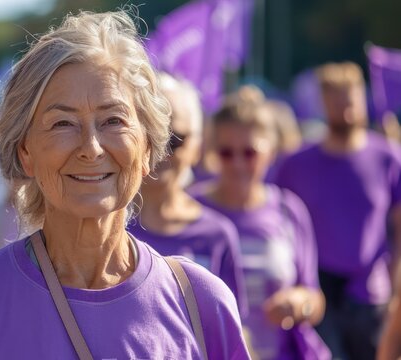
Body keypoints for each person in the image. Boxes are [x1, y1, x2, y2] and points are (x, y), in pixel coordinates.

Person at [0, 11, 250, 359]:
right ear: (25, 152)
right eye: (63, 123)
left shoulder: (202, 305)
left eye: (114, 120)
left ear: (147, 150)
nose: (91, 148)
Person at [275, 62, 401, 360]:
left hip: (370, 294)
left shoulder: (388, 158)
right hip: (318, 293)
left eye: (350, 99)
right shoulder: (297, 164)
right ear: (323, 102)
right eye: (336, 100)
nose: (344, 109)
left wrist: (397, 294)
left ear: (362, 99)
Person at [192, 88, 328, 359]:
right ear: (212, 152)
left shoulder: (288, 210)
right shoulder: (190, 209)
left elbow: (314, 296)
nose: (239, 163)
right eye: (227, 153)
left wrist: (300, 304)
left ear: (271, 151)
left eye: (250, 152)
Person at [128, 73, 246, 312]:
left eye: (174, 139)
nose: (160, 152)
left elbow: (230, 331)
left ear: (197, 147)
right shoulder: (102, 227)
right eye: (149, 137)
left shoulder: (216, 235)